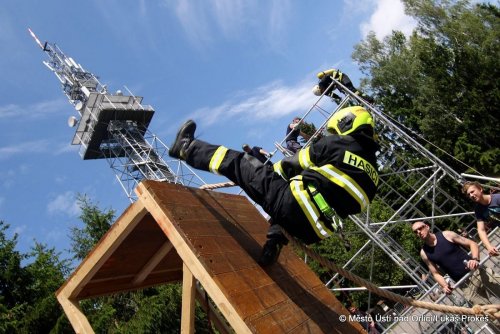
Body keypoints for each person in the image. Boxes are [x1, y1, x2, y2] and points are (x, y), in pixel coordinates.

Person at [169, 106, 379, 265]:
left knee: (240, 163)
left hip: (292, 205)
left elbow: (291, 165)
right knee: (299, 201)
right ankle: (273, 244)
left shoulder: (337, 144)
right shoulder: (374, 176)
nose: (333, 135)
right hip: (315, 231)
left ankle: (187, 148)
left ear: (347, 122)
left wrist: (263, 174)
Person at [412, 221, 500, 306]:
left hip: (478, 271)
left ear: (427, 227)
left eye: (420, 228)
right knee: (488, 313)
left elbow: (472, 243)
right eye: (415, 232)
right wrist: (444, 286)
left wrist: (475, 259)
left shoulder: (446, 235)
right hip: (465, 284)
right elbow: (435, 273)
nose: (418, 232)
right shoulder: (424, 253)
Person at [462, 181, 499, 257]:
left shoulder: (497, 198)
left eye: (472, 191)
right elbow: (481, 230)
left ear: (480, 189)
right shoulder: (478, 210)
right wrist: (489, 246)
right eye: (469, 194)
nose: (471, 195)